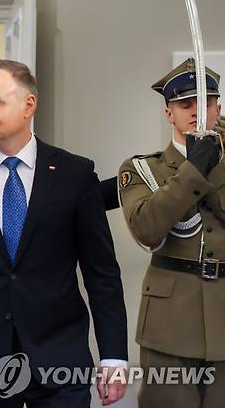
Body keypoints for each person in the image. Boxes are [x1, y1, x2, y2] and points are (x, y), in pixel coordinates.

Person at [0, 59, 128, 407]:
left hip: (61, 362)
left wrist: (114, 356)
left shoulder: (75, 174)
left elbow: (102, 273)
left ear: (28, 105)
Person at [118, 58, 225, 407]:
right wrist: (194, 169)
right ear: (169, 114)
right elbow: (147, 228)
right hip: (170, 328)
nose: (197, 111)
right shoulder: (142, 169)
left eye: (205, 102)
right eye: (185, 103)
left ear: (218, 107)